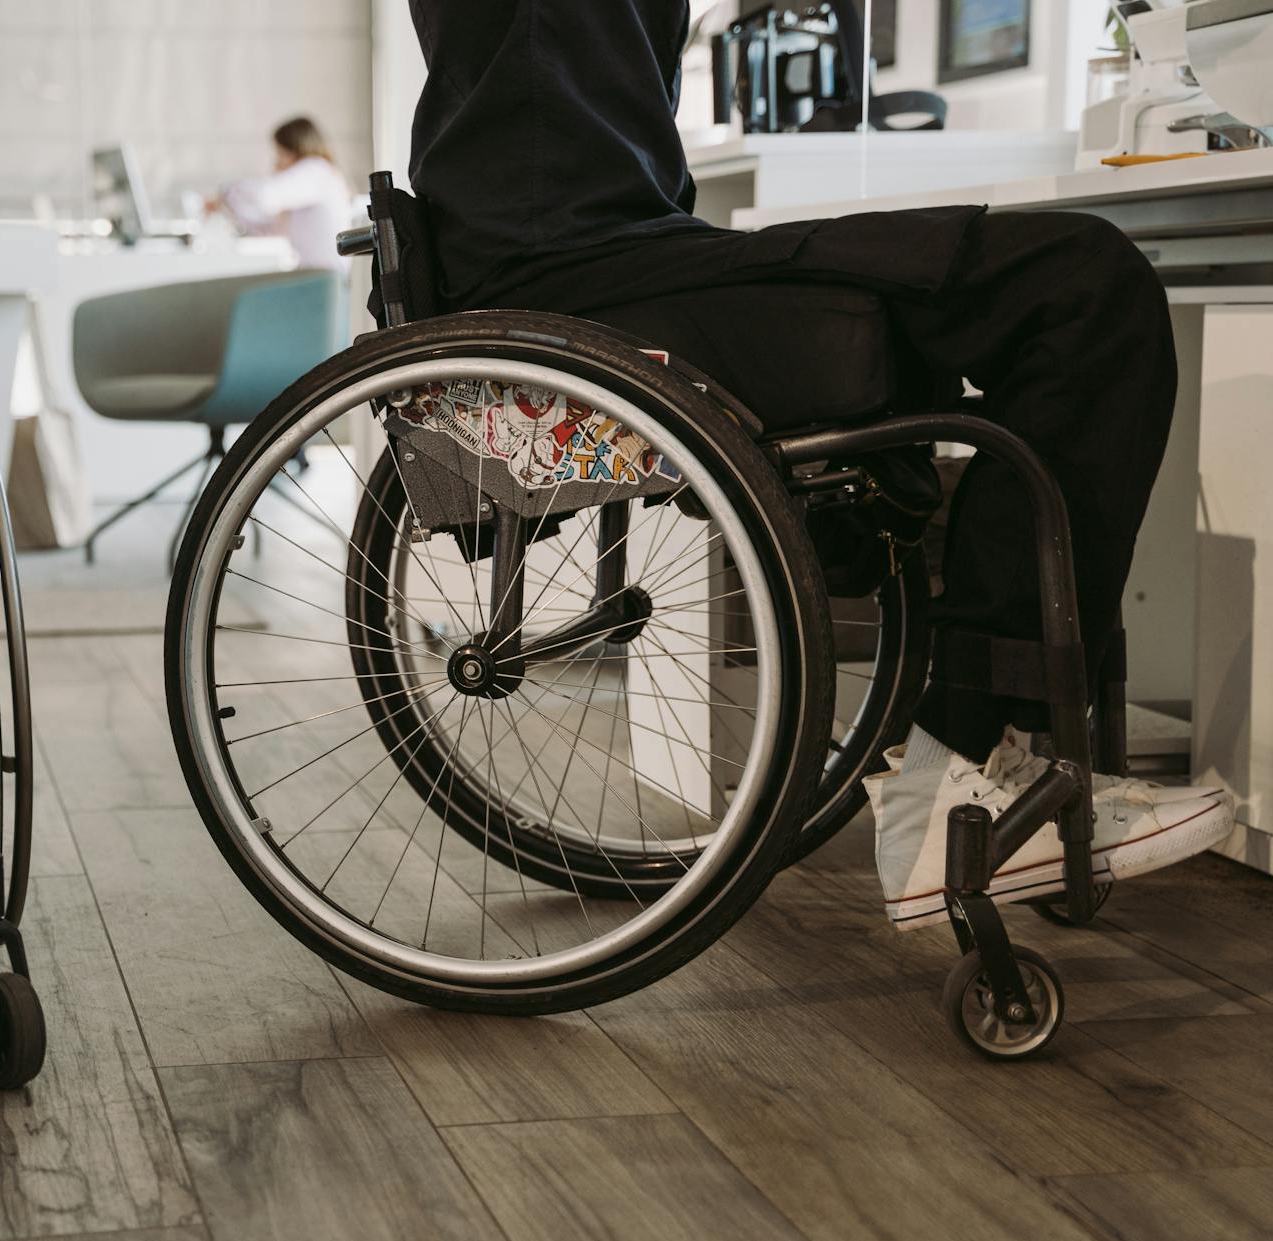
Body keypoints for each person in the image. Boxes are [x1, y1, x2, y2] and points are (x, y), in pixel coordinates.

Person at [405, 0, 1233, 927]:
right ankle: (965, 768)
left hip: (585, 250)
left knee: (1076, 281)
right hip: (577, 267)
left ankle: (982, 756)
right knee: (1085, 287)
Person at [214, 115, 353, 270]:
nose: (276, 162)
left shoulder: (316, 170)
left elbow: (265, 196)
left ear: (294, 151)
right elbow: (269, 229)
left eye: (280, 153)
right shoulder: (315, 181)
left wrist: (226, 192)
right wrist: (228, 207)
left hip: (324, 276)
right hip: (316, 274)